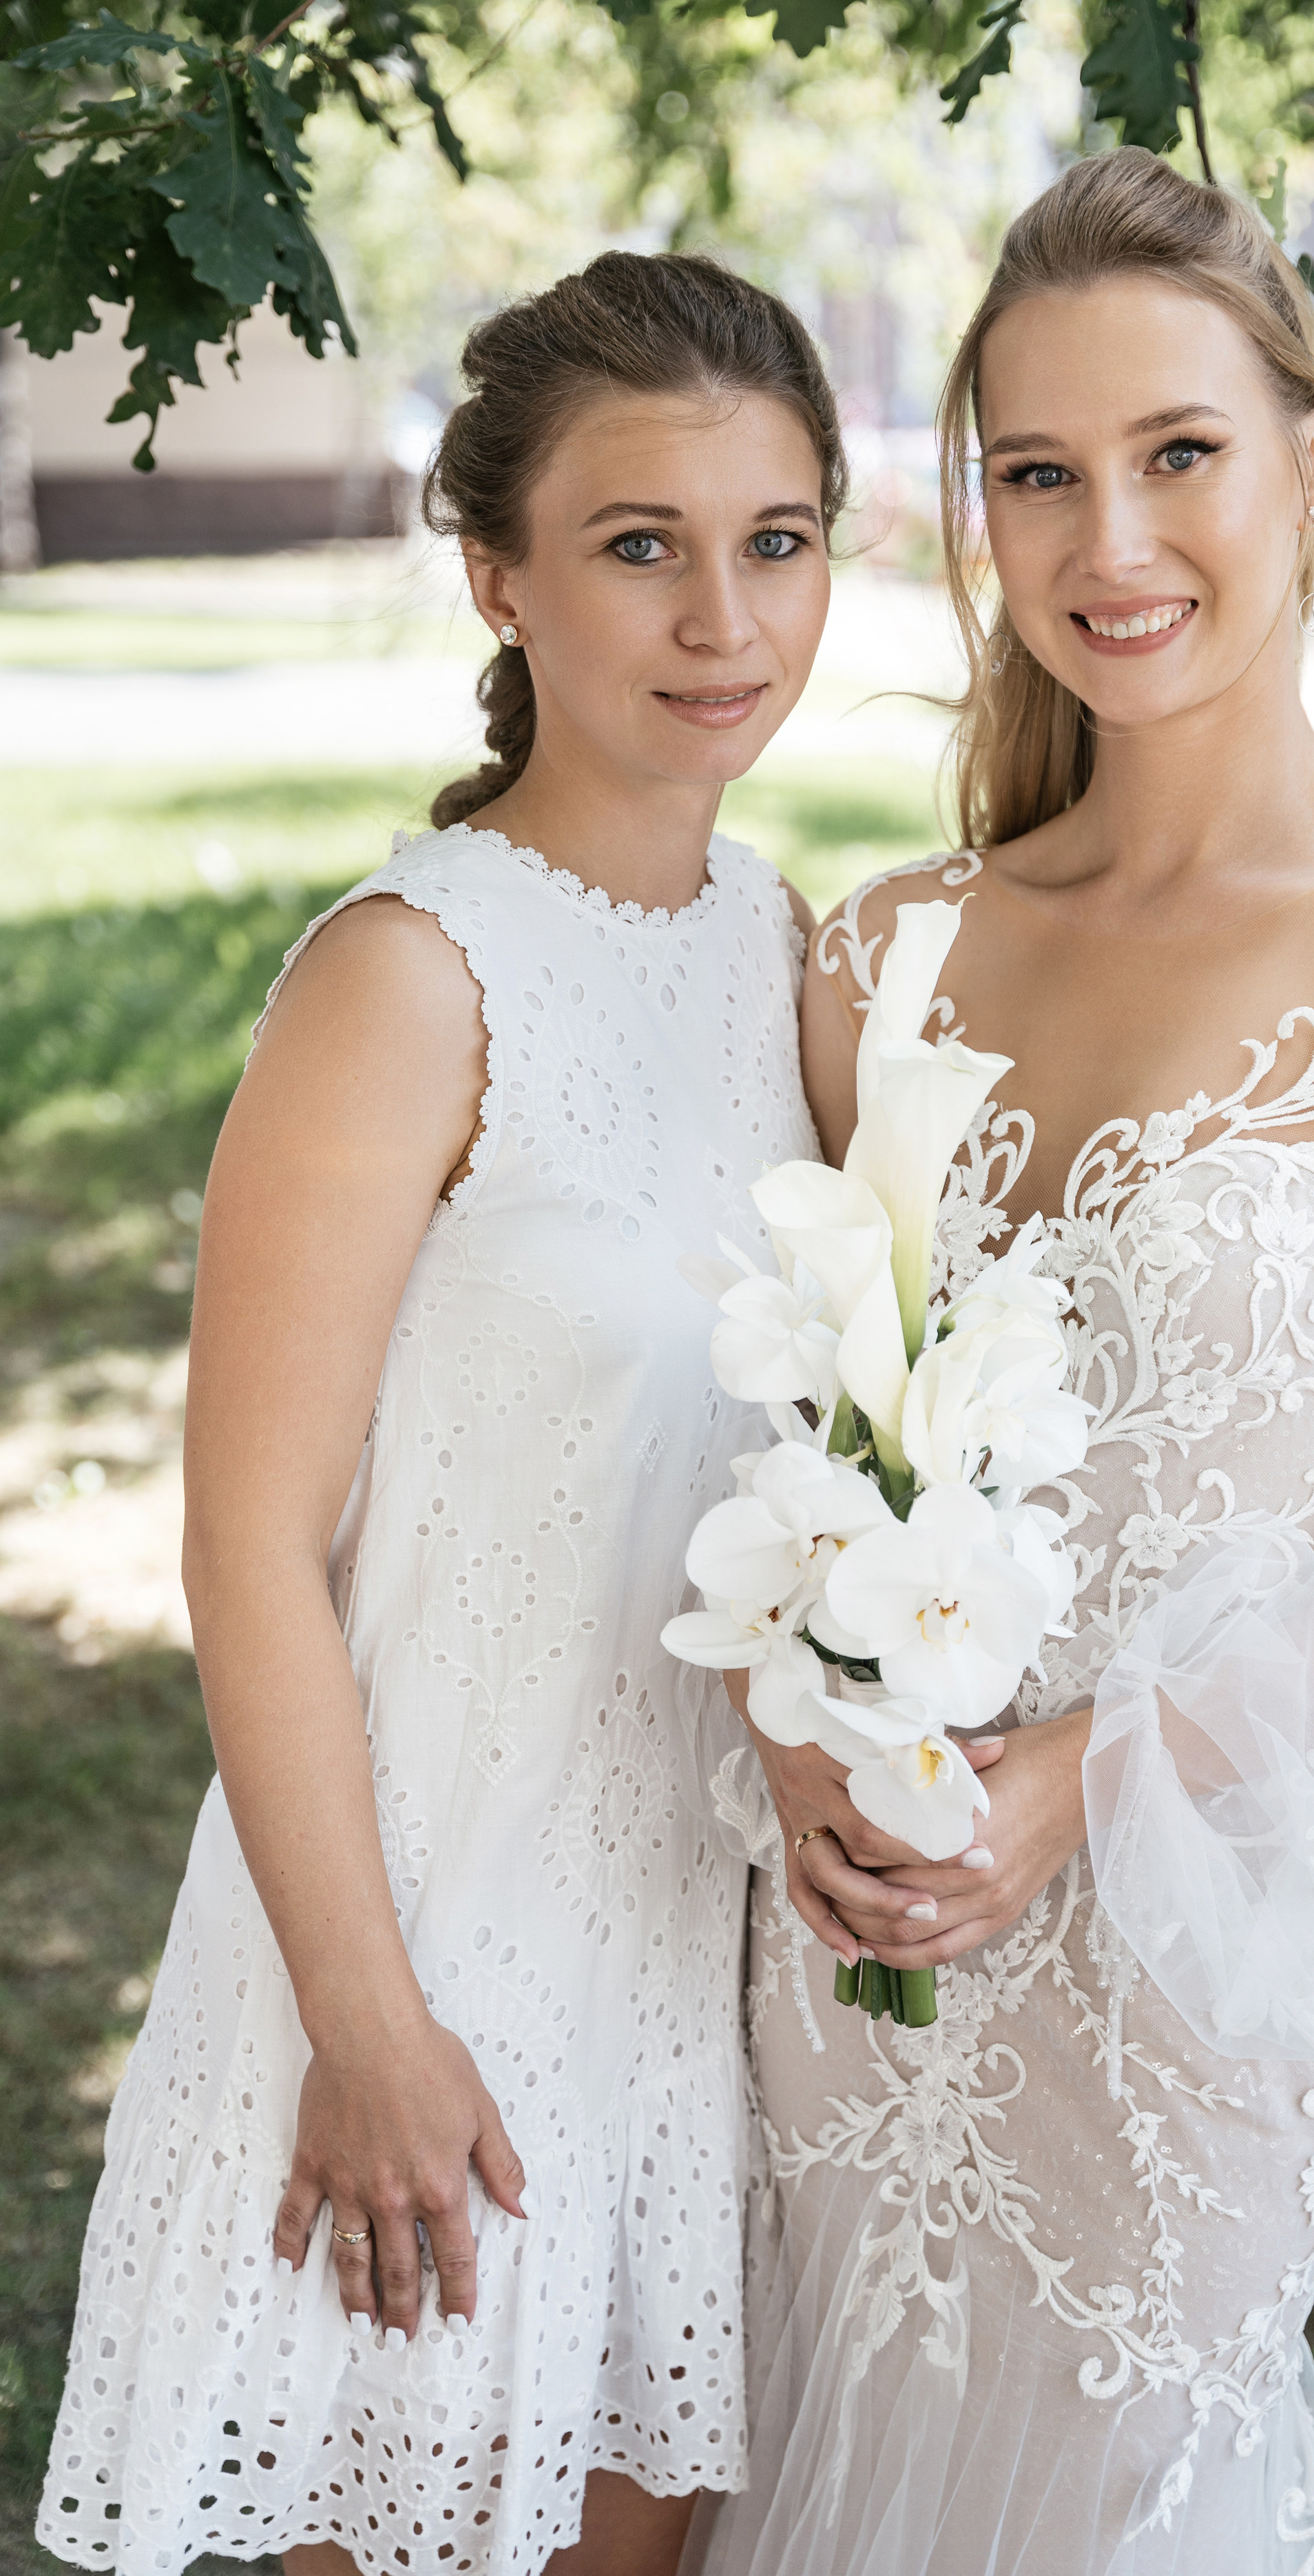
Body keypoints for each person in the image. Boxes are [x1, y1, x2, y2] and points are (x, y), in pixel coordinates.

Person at [694, 150, 1314, 2574]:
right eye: (1039, 473)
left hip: (1185, 1936)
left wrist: (1086, 1775)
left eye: (1179, 455)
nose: (1108, 537)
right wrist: (785, 1725)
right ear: (980, 510)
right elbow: (772, 1429)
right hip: (858, 1937)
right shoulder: (882, 955)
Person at [38, 250, 843, 2576]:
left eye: (775, 540)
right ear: (495, 570)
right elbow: (247, 1547)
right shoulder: (407, 978)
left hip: (694, 1988)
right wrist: (366, 2026)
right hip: (423, 1972)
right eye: (638, 545)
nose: (724, 619)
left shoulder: (786, 954)